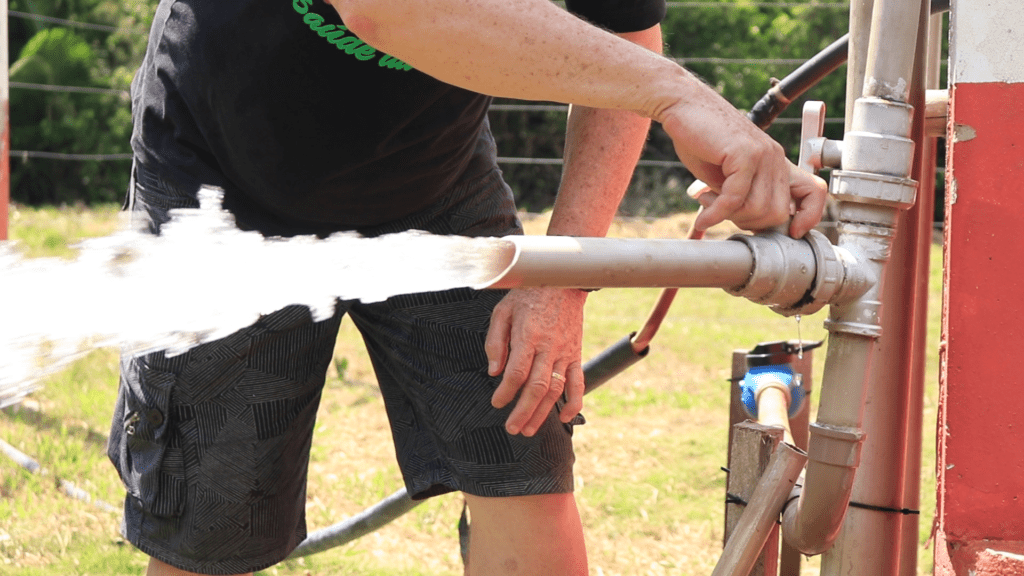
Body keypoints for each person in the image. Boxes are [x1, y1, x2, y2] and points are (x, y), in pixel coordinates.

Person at [107, 0, 828, 575]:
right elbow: (386, 10)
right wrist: (676, 94)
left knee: (521, 450)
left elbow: (625, 31)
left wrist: (558, 279)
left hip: (434, 174)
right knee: (212, 516)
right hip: (224, 166)